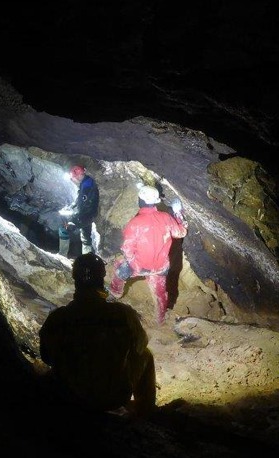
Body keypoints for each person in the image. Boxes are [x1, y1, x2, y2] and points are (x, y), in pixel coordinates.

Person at [38, 253, 157, 418]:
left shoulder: (59, 317)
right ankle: (145, 413)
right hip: (112, 397)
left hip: (69, 397)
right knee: (146, 355)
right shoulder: (122, 314)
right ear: (102, 278)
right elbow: (140, 345)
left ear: (75, 279)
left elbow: (46, 357)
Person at [108, 185, 188, 325]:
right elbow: (181, 233)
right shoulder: (166, 218)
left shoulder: (135, 223)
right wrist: (178, 215)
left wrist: (133, 265)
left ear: (141, 200)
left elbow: (127, 248)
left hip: (139, 266)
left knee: (120, 268)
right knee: (160, 294)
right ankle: (160, 319)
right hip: (160, 267)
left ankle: (115, 294)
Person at [59, 165, 99, 256]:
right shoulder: (87, 182)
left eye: (73, 178)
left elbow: (84, 204)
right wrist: (70, 207)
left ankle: (62, 254)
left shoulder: (87, 186)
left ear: (77, 175)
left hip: (85, 216)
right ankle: (87, 259)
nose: (73, 180)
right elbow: (79, 200)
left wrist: (73, 215)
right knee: (86, 237)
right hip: (89, 215)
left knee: (64, 228)